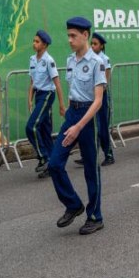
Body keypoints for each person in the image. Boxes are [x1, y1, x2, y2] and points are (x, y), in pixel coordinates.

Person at [47, 16, 106, 235]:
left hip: (89, 117)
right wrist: (70, 117)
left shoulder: (96, 62)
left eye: (74, 35)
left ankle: (95, 216)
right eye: (68, 35)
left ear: (85, 36)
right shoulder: (70, 60)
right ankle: (73, 204)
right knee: (54, 163)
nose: (70, 39)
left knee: (91, 169)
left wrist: (79, 126)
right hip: (73, 113)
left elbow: (98, 100)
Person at [26, 30, 66, 178]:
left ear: (44, 44)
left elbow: (57, 82)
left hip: (48, 95)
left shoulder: (49, 60)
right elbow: (32, 81)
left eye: (37, 41)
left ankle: (43, 157)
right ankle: (52, 163)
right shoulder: (32, 59)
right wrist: (29, 99)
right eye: (34, 40)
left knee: (31, 127)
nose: (34, 43)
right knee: (44, 130)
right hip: (38, 95)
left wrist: (62, 105)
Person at [90, 32, 115, 165]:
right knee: (91, 127)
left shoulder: (104, 59)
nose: (92, 46)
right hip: (91, 96)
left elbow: (105, 79)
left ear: (101, 46)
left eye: (95, 44)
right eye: (91, 44)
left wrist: (98, 93)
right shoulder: (89, 59)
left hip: (101, 97)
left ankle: (109, 154)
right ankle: (89, 154)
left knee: (102, 126)